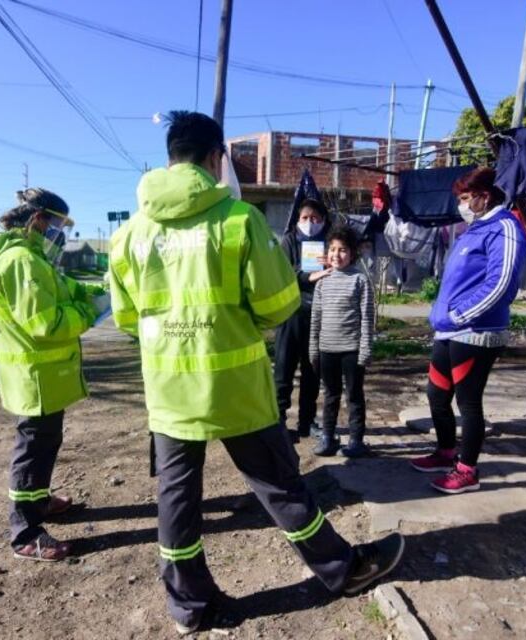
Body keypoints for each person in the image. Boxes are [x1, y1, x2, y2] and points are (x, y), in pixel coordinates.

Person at [109, 111, 404, 635]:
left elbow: (129, 318)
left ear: (171, 156)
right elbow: (277, 304)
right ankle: (344, 569)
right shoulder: (238, 220)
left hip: (170, 392)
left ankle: (189, 608)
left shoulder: (130, 234)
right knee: (279, 485)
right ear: (215, 158)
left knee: (176, 500)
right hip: (236, 387)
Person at [0, 188, 105, 561]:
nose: (62, 234)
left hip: (46, 377)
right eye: (58, 224)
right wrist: (90, 315)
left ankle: (40, 501)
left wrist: (99, 292)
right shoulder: (22, 262)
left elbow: (68, 289)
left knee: (45, 444)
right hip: (35, 377)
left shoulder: (35, 259)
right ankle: (25, 532)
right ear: (38, 220)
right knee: (32, 449)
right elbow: (46, 323)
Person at [409, 167, 526, 494]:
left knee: (468, 403)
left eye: (465, 198)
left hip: (476, 332)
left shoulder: (505, 228)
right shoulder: (474, 229)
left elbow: (501, 284)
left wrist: (461, 314)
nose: (461, 204)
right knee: (436, 395)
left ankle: (467, 471)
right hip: (449, 332)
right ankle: (445, 452)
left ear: (484, 196)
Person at [309, 227, 375, 458]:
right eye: (333, 249)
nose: (337, 254)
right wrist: (313, 349)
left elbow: (367, 317)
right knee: (330, 395)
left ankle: (356, 441)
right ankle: (328, 438)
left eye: (343, 250)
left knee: (354, 396)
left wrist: (365, 348)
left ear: (353, 254)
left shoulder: (360, 280)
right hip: (327, 349)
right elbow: (315, 318)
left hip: (352, 350)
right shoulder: (322, 283)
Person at [275, 198, 331, 441]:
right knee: (284, 369)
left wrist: (333, 265)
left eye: (315, 218)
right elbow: (282, 272)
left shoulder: (330, 243)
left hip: (318, 315)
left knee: (312, 371)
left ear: (324, 220)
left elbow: (344, 266)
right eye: (305, 218)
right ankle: (278, 421)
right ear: (297, 220)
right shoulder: (288, 241)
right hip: (290, 314)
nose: (310, 223)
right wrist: (308, 276)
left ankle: (307, 422)